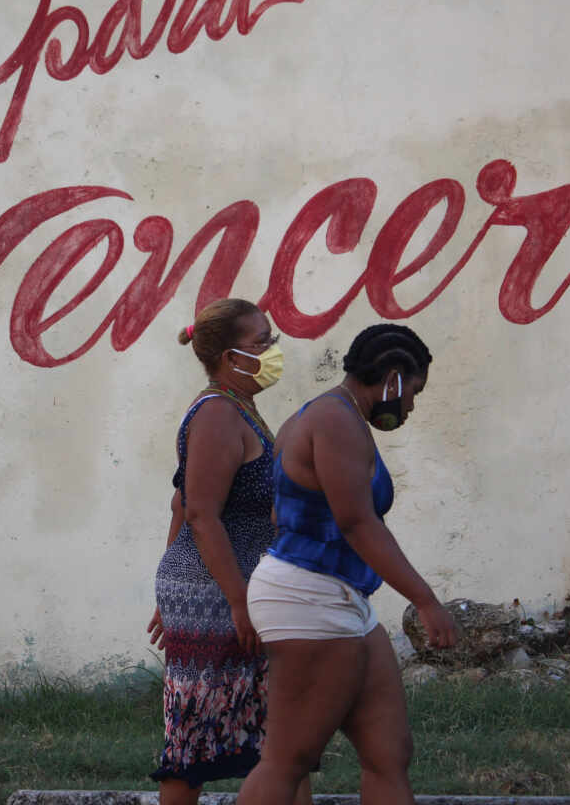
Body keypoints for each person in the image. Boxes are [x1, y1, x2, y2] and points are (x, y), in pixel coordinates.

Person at [237, 323, 459, 805]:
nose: (412, 406)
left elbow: (286, 512)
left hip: (342, 598)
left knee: (389, 752)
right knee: (288, 761)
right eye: (413, 392)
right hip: (308, 596)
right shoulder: (335, 420)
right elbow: (357, 523)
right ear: (394, 379)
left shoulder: (336, 418)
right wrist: (425, 600)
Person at [147, 298, 304, 804]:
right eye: (262, 343)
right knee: (193, 741)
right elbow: (199, 513)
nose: (274, 351)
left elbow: (180, 499)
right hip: (218, 593)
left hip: (224, 587)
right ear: (229, 357)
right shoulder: (216, 414)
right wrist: (240, 602)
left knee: (283, 734)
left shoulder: (240, 407)